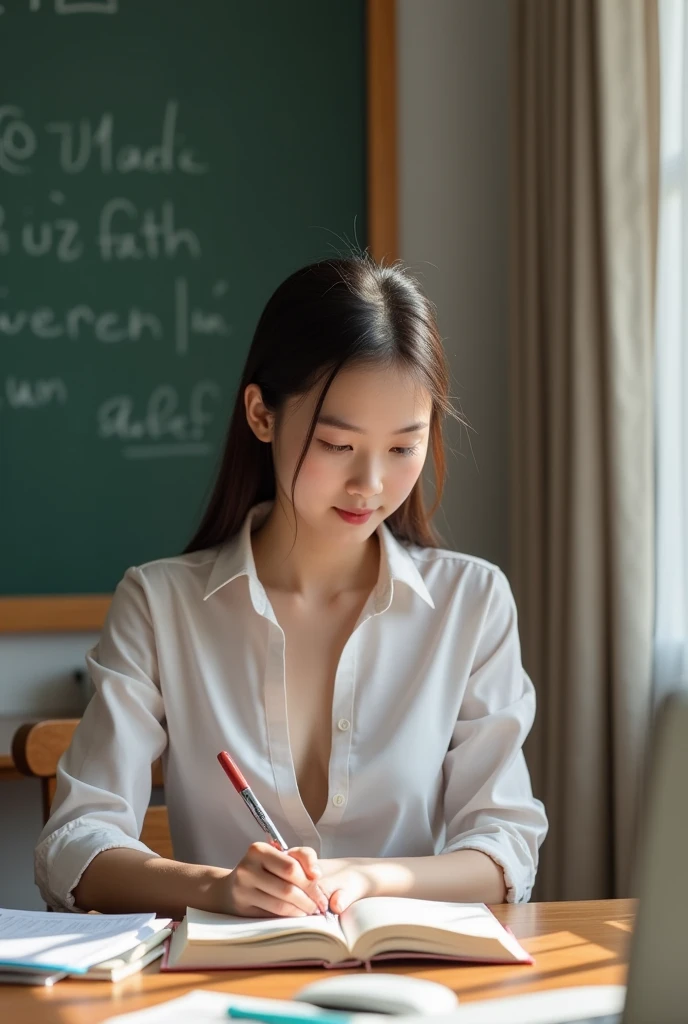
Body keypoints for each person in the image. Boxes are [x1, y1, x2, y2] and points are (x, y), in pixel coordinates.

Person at [35, 255, 547, 919]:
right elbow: (75, 841)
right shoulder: (162, 606)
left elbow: (506, 844)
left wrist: (369, 879)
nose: (371, 484)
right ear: (261, 414)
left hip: (408, 986)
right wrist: (215, 889)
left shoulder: (471, 604)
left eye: (403, 448)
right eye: (338, 445)